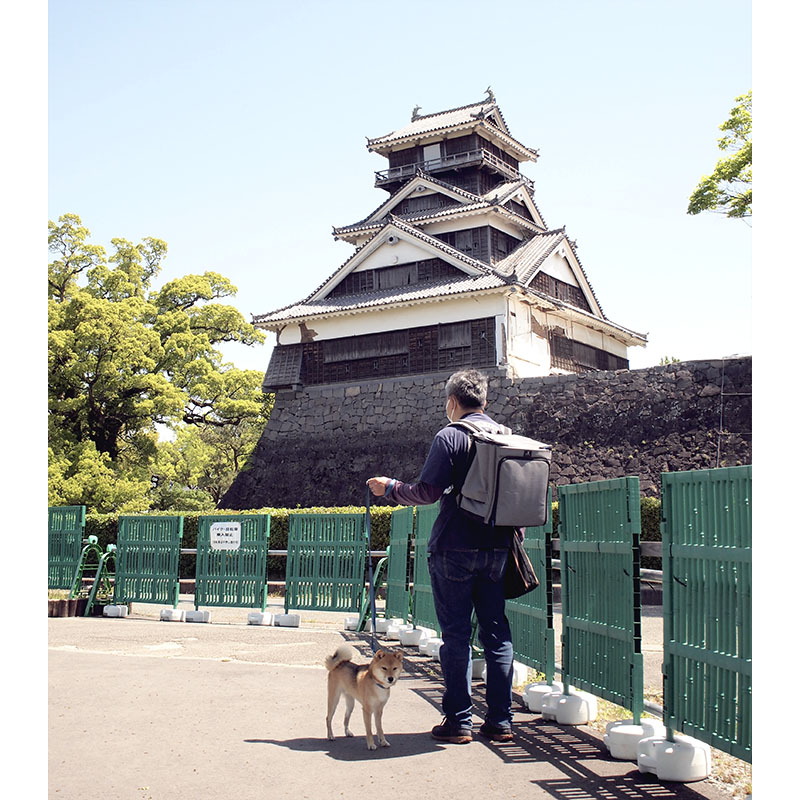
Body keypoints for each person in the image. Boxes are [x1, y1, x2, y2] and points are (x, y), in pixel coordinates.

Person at [366, 369, 515, 744]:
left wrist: (392, 488)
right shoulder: (506, 437)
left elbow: (428, 492)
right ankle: (500, 721)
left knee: (457, 635)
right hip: (498, 547)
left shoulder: (450, 436)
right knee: (497, 634)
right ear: (485, 401)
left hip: (454, 548)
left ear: (452, 402)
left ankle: (459, 722)